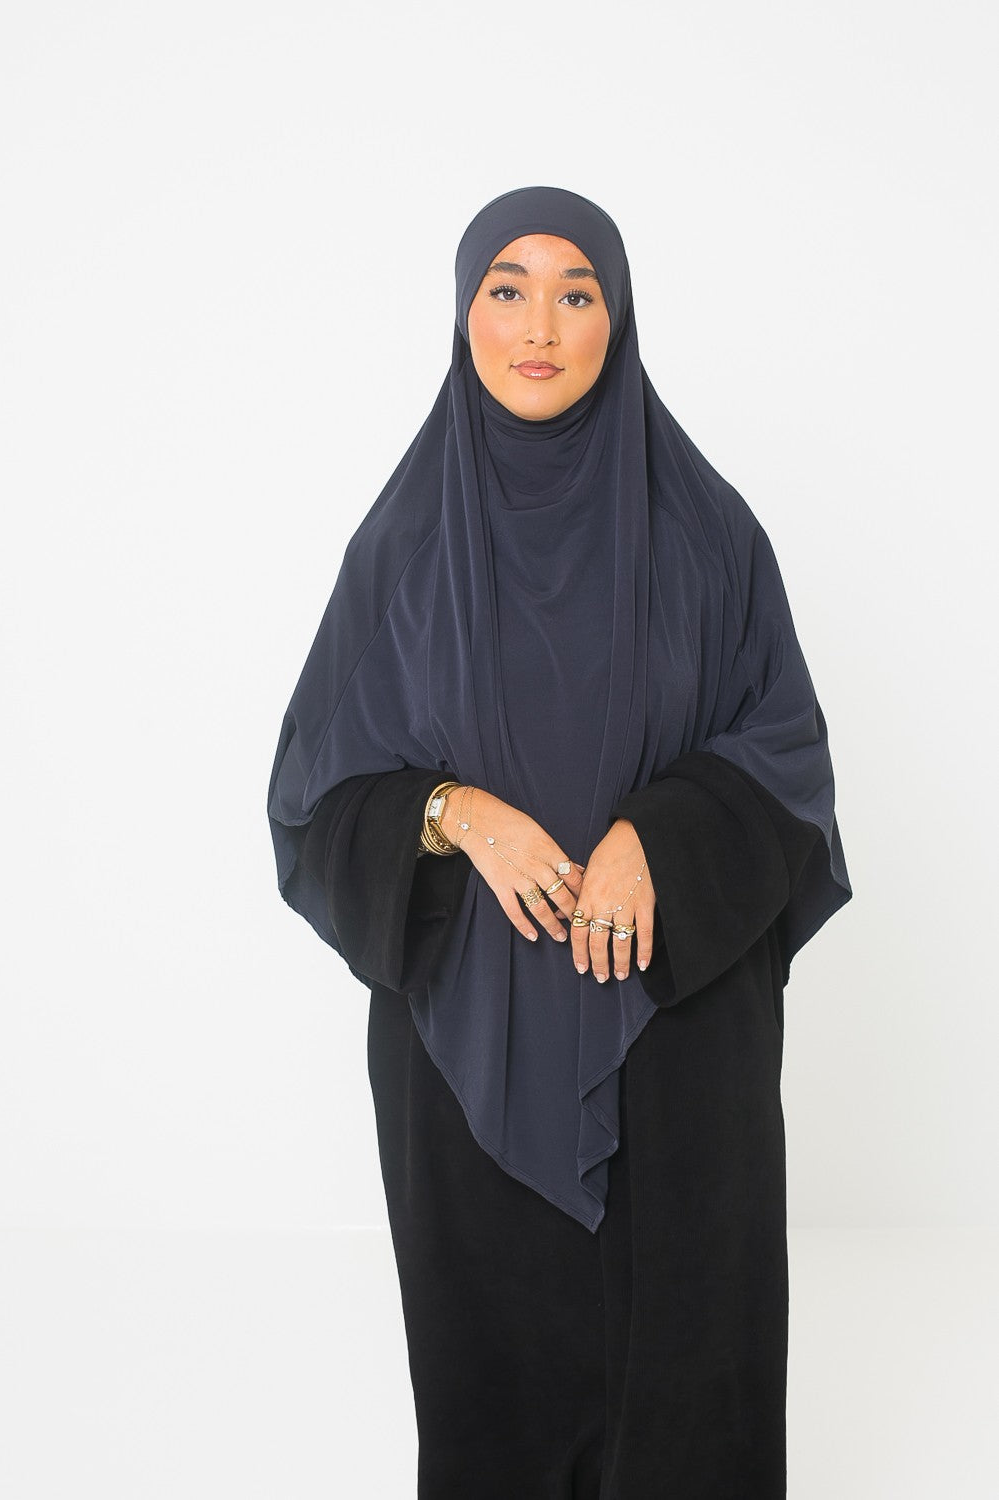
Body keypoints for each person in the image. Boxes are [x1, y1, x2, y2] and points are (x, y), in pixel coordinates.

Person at [267, 184, 852, 1499]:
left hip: (676, 1036)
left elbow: (789, 761)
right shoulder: (403, 550)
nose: (539, 325)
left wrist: (660, 831)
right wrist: (455, 815)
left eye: (576, 292)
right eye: (507, 289)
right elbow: (312, 795)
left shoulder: (708, 537)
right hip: (466, 1040)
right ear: (464, 314)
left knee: (688, 1383)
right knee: (497, 1395)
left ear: (617, 318)